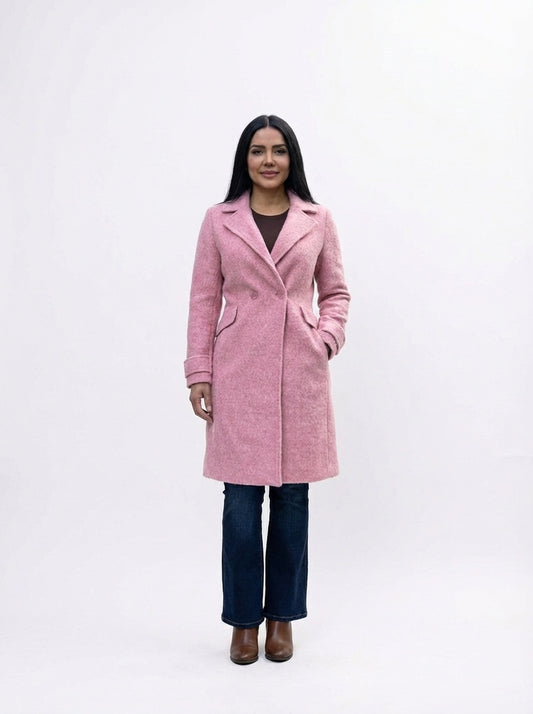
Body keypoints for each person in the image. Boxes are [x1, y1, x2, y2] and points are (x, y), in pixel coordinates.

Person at [185, 115, 350, 664]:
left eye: (279, 150)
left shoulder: (317, 219)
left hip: (299, 372)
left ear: (291, 158)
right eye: (258, 151)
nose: (269, 160)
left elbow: (336, 292)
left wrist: (323, 339)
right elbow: (203, 299)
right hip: (238, 371)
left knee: (292, 500)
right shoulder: (219, 220)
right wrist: (199, 371)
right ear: (245, 159)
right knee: (239, 502)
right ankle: (242, 621)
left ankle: (281, 617)